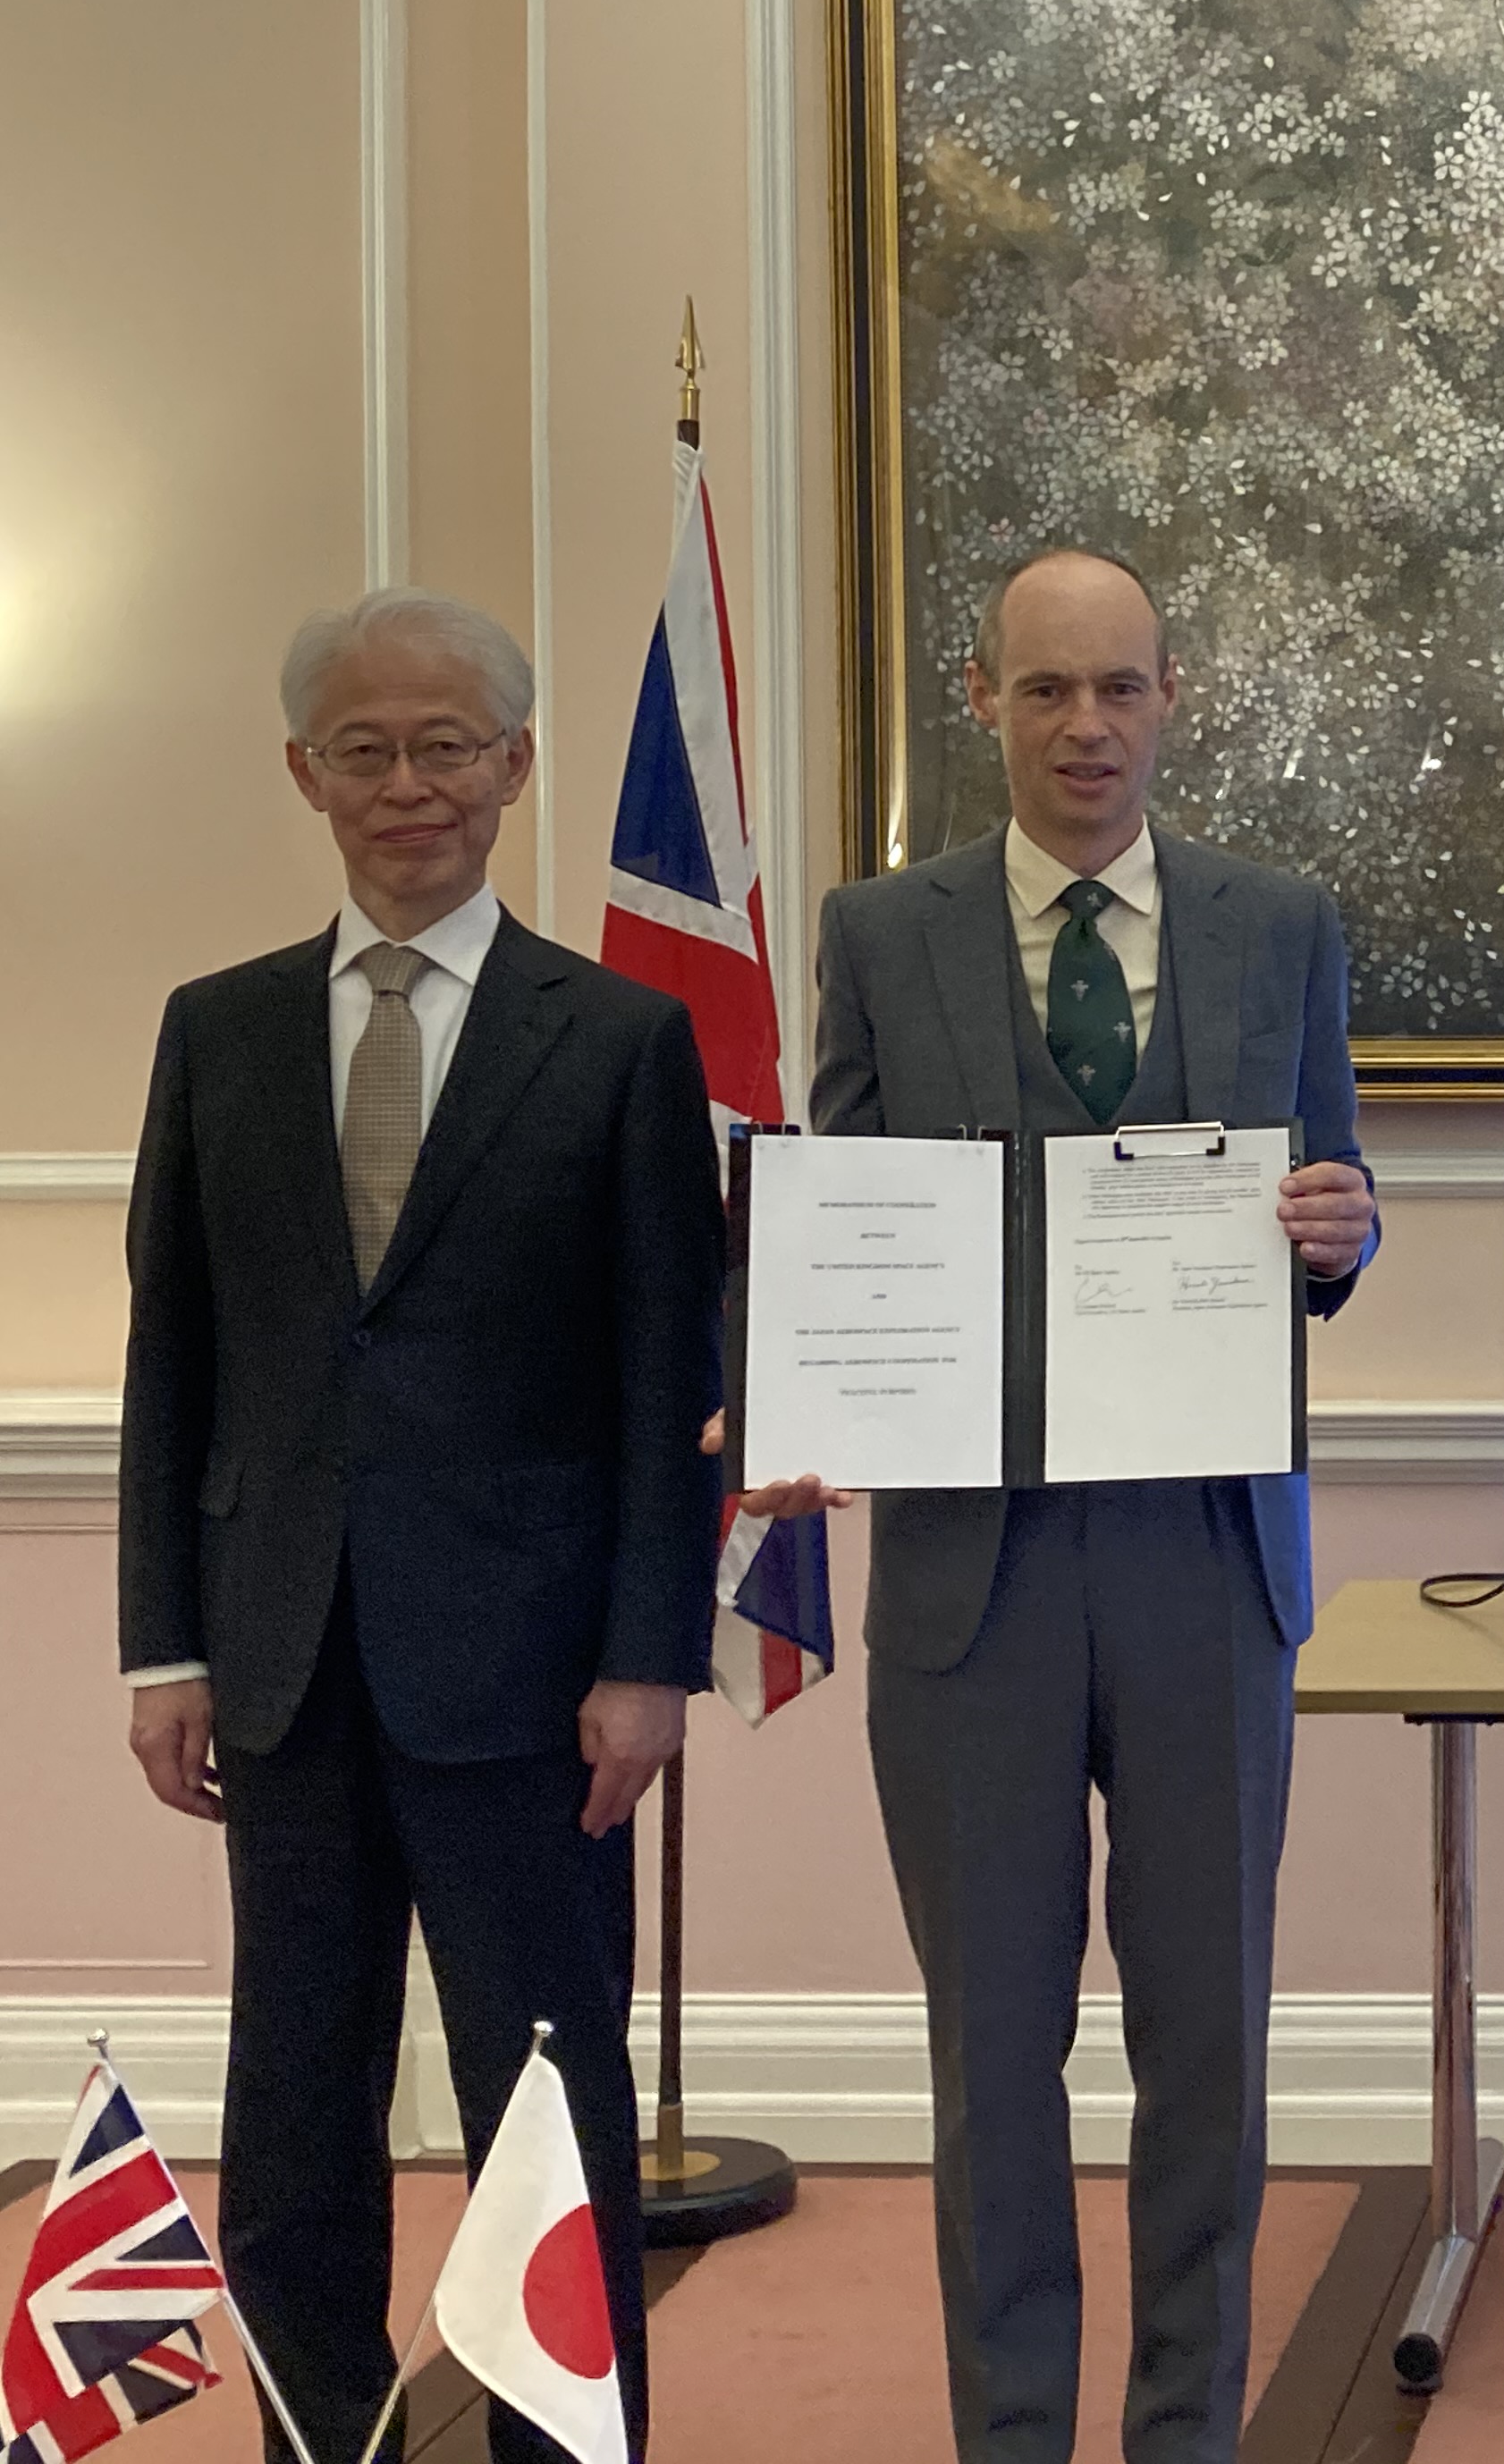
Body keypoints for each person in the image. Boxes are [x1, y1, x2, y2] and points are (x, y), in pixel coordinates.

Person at [740, 545, 1378, 2464]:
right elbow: (841, 1209)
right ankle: (1011, 2437)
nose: (1086, 726)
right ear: (982, 699)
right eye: (1046, 691)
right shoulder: (880, 930)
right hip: (971, 1583)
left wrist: (1339, 1231)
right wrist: (794, 1384)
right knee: (989, 2063)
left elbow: (1324, 1197)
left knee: (1211, 2052)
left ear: (1173, 695)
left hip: (1204, 1559)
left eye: (1119, 688)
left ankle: (1185, 2433)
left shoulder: (1283, 924)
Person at [121, 590, 722, 2464]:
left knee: (541, 2113)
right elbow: (175, 1364)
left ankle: (566, 2447)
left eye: (448, 744)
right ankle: (323, 2432)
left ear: (516, 767)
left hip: (535, 1683)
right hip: (280, 1662)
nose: (410, 785)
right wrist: (165, 1643)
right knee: (292, 2115)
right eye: (366, 749)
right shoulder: (214, 1035)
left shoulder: (621, 1040)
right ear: (307, 774)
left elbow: (661, 1382)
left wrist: (651, 1659)